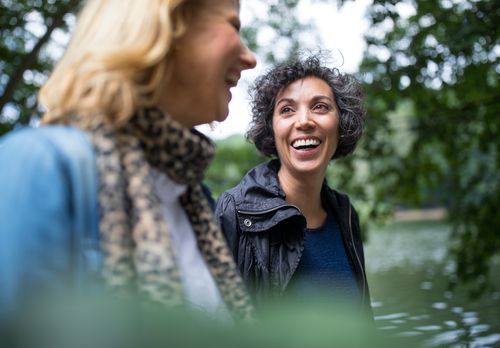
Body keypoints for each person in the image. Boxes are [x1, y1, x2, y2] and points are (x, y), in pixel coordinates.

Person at [0, 0, 256, 322]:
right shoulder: (40, 165)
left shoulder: (193, 201)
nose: (250, 58)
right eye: (233, 25)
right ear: (166, 24)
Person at [215, 55, 372, 315]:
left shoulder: (345, 213)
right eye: (287, 110)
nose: (304, 121)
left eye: (320, 107)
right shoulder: (236, 212)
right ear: (272, 129)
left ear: (341, 124)